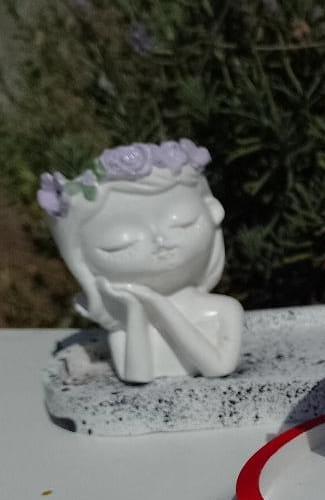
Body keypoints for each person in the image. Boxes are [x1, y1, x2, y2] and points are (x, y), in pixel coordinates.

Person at [40, 140, 242, 383]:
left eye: (183, 223)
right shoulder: (123, 327)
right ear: (80, 259)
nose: (160, 241)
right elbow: (137, 377)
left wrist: (158, 303)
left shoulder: (224, 309)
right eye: (120, 243)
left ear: (213, 211)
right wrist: (135, 311)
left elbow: (218, 367)